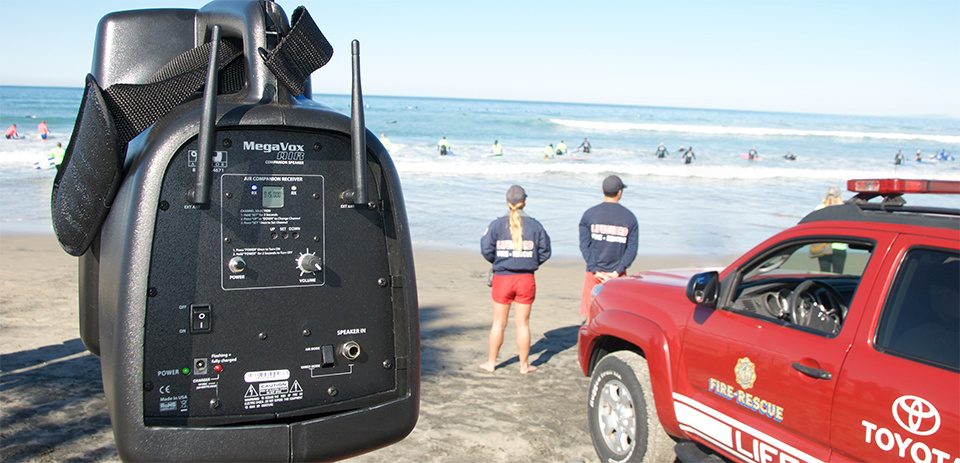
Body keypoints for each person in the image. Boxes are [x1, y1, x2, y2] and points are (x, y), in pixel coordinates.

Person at [480, 185, 551, 374]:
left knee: (498, 323)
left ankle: (491, 363)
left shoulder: (496, 225)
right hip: (525, 279)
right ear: (524, 202)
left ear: (507, 202)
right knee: (523, 324)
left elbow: (486, 250)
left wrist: (500, 260)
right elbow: (545, 252)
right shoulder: (535, 225)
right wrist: (530, 262)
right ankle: (524, 365)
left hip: (502, 278)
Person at [578, 175, 639, 322]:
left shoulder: (589, 214)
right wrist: (617, 271)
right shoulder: (629, 217)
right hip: (617, 275)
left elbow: (584, 246)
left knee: (591, 316)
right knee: (616, 315)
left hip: (594, 273)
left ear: (602, 190)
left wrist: (595, 269)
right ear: (620, 192)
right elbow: (632, 249)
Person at [812, 186, 848, 273]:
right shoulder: (844, 209)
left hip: (823, 245)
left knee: (824, 273)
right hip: (839, 246)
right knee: (838, 274)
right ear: (839, 196)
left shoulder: (819, 208)